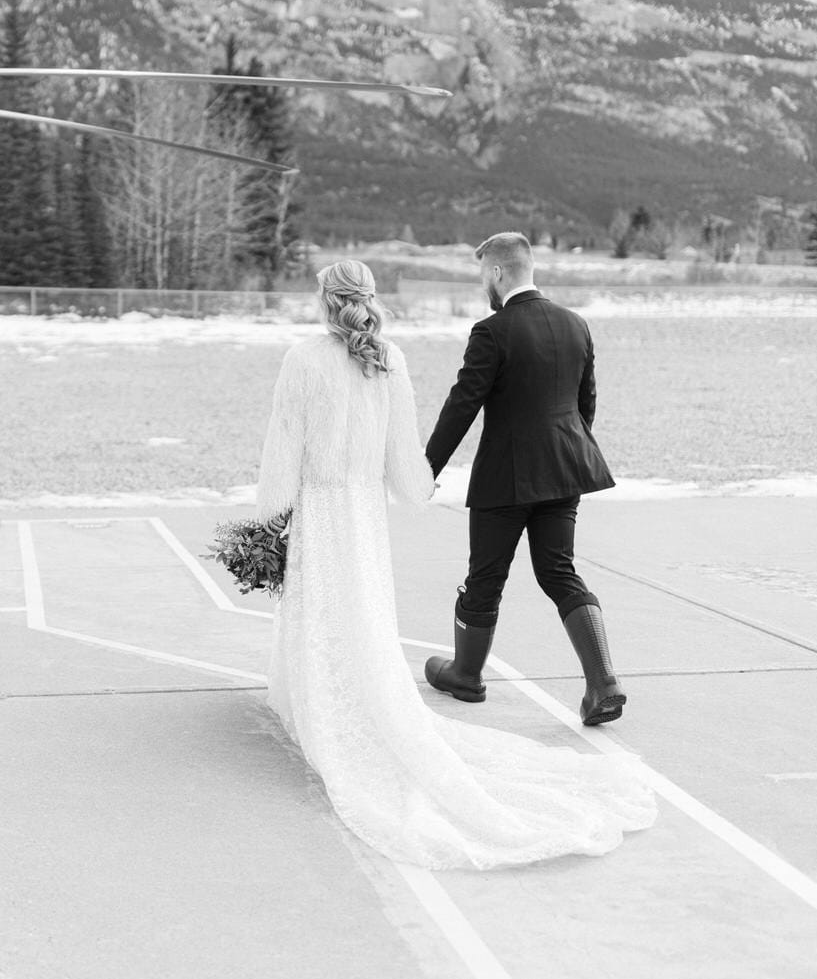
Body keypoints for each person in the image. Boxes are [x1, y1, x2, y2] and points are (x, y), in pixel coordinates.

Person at [256, 258, 654, 870]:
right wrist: (418, 487)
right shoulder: (393, 356)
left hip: (338, 504)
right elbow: (580, 404)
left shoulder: (305, 359)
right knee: (537, 576)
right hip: (383, 505)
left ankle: (419, 683)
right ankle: (596, 681)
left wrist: (267, 518)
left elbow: (287, 441)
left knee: (360, 595)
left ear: (324, 300)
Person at [424, 233, 624, 726]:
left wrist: (426, 468)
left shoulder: (492, 331)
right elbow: (585, 406)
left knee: (486, 578)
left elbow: (462, 405)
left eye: (481, 275)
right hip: (566, 470)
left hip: (506, 478)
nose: (482, 286)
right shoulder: (576, 325)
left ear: (496, 272)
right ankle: (603, 685)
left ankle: (465, 676)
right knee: (558, 572)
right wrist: (565, 457)